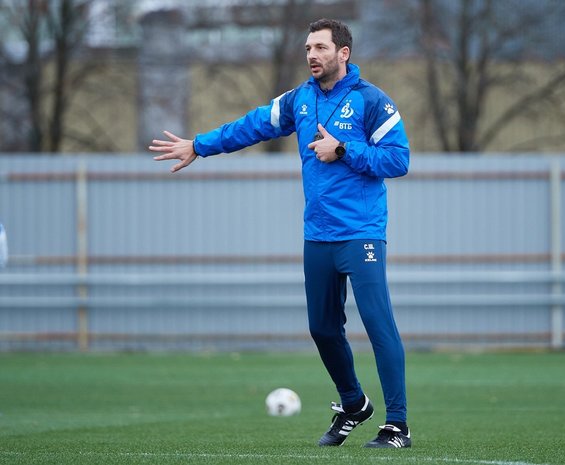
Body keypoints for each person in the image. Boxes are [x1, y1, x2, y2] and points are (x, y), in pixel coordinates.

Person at [149, 18, 411, 449]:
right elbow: (250, 125)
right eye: (308, 48)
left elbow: (398, 160)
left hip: (361, 233)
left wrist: (344, 149)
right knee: (322, 330)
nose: (312, 55)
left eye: (321, 48)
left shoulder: (371, 101)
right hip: (318, 235)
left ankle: (397, 425)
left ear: (343, 53)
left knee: (379, 327)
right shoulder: (298, 100)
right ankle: (354, 404)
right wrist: (198, 145)